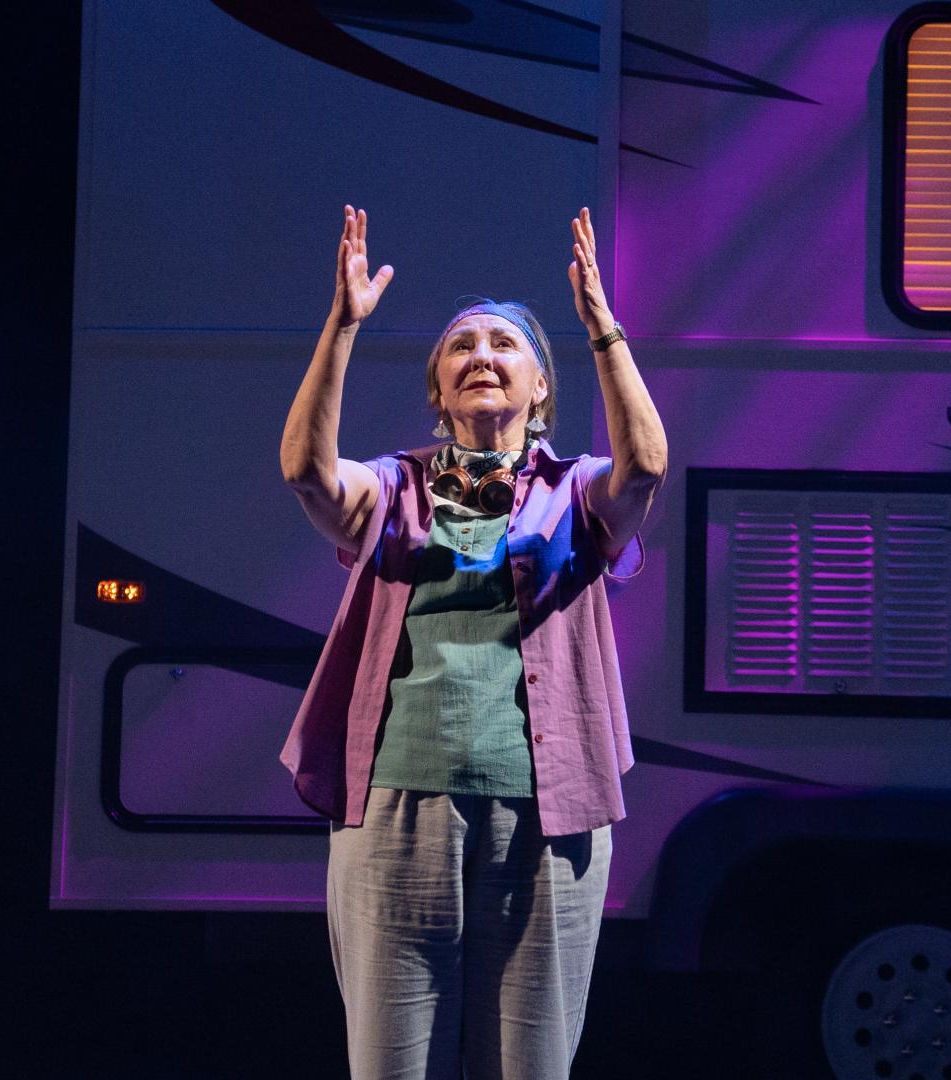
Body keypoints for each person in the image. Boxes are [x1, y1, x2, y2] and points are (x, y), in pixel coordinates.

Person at [277, 204, 666, 1079]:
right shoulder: (394, 486)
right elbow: (306, 472)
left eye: (504, 344)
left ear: (540, 389)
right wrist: (343, 326)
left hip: (549, 814)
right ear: (439, 393)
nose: (481, 354)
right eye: (461, 346)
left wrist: (603, 327)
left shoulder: (575, 490)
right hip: (395, 807)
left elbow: (645, 466)